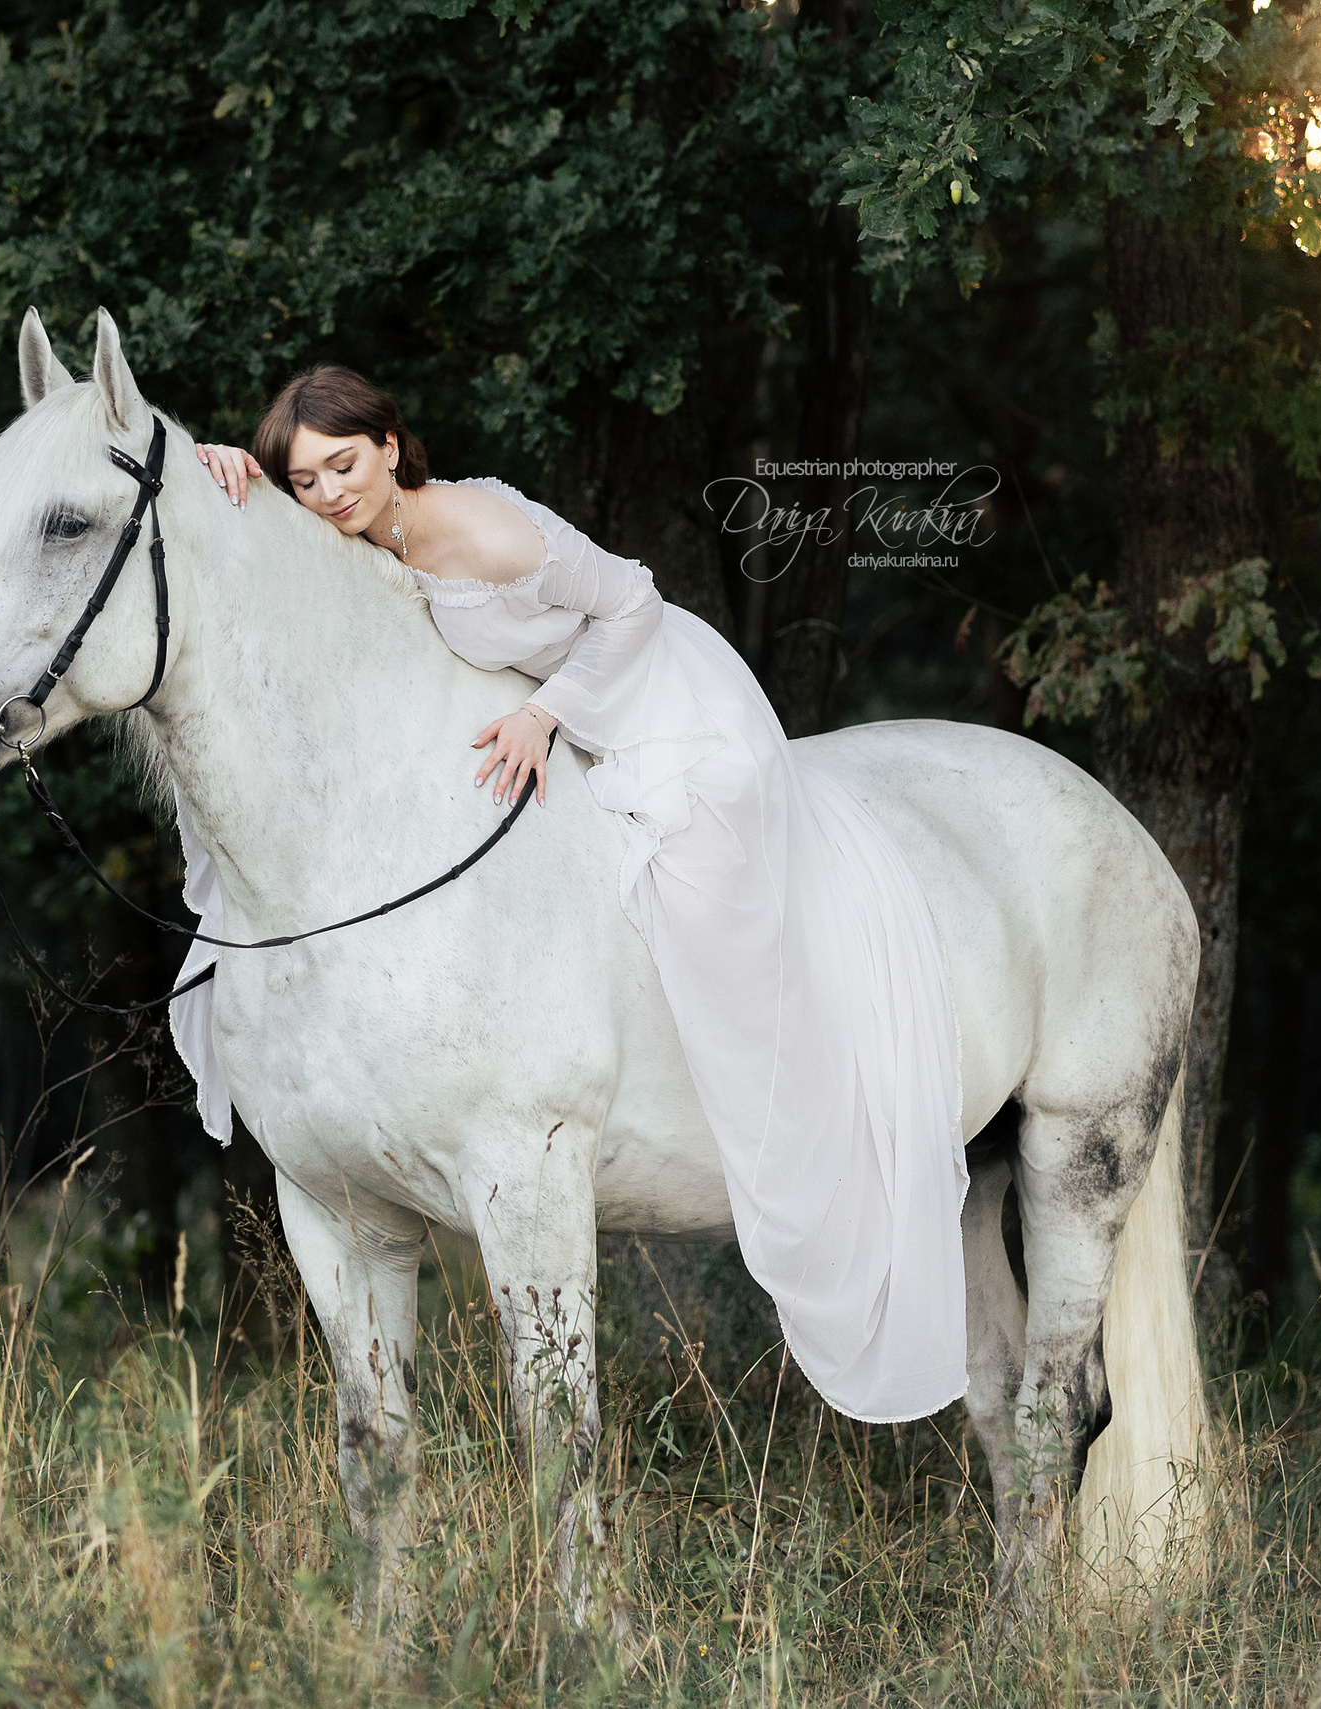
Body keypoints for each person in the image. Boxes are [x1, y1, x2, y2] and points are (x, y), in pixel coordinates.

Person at [180, 366, 971, 1424]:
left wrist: (549, 715)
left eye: (342, 462)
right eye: (302, 477)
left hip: (650, 696)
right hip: (554, 705)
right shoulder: (350, 533)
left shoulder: (475, 527)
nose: (326, 491)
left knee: (696, 888)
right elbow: (258, 545)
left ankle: (790, 1074)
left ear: (388, 444)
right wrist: (223, 471)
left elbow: (634, 598)